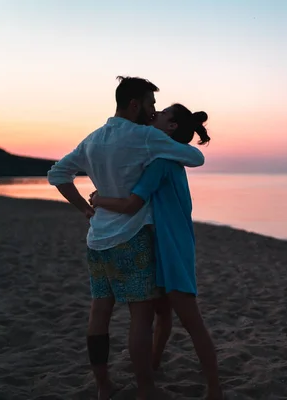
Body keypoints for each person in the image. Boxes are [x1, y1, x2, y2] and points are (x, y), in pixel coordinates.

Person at [47, 77, 205, 400]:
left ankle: (103, 386)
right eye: (150, 104)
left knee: (99, 313)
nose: (152, 111)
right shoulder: (145, 136)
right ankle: (145, 388)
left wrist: (85, 210)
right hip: (132, 238)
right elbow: (195, 158)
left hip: (97, 241)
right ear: (134, 104)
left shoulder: (92, 140)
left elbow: (57, 175)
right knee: (141, 318)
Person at [90, 104, 223, 399]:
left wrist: (99, 199)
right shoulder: (166, 157)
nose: (157, 114)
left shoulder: (162, 162)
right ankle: (154, 362)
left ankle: (215, 388)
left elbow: (131, 205)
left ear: (172, 126)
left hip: (172, 249)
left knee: (191, 321)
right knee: (162, 313)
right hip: (165, 245)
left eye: (162, 113)